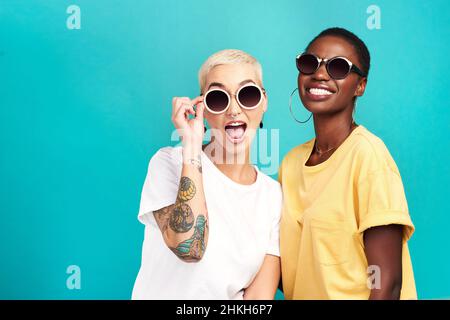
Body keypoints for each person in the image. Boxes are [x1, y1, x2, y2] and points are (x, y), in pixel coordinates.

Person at [279, 28, 416, 299]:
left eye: (338, 67)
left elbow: (386, 285)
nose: (319, 74)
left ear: (360, 86)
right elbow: (293, 269)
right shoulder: (291, 163)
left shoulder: (367, 156)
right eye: (310, 63)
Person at [132, 49, 281, 300]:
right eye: (219, 98)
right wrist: (191, 145)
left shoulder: (273, 196)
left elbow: (258, 301)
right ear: (203, 107)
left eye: (248, 94)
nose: (234, 110)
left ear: (264, 101)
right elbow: (189, 247)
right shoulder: (169, 162)